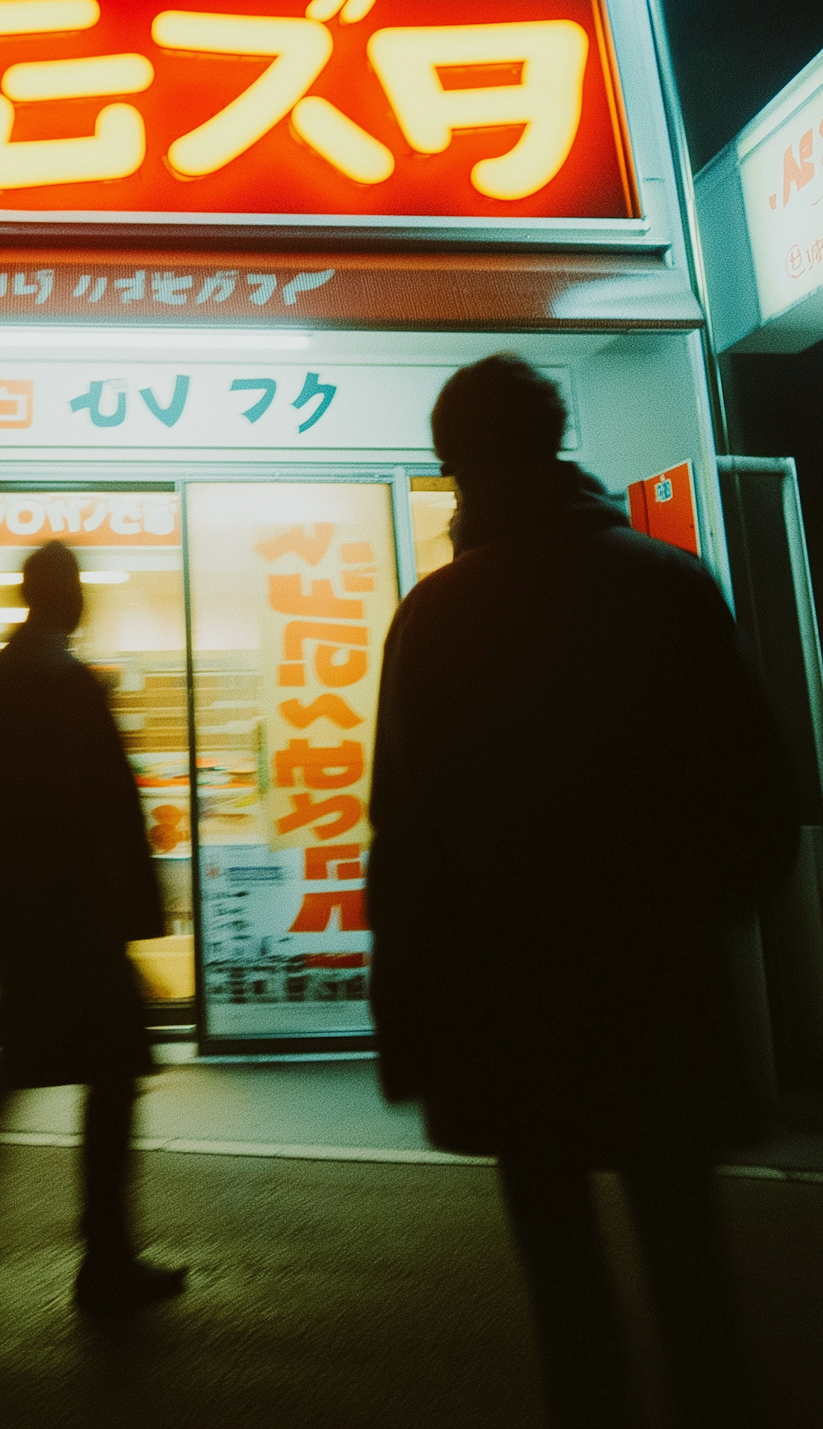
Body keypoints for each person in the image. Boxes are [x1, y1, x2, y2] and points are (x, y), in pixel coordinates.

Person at [367, 352, 799, 1429]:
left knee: (567, 1293)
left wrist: (407, 1016)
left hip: (510, 1004)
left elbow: (405, 844)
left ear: (454, 465)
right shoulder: (667, 583)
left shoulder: (438, 613)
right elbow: (761, 793)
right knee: (690, 1271)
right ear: (558, 441)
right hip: (662, 990)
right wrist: (703, 914)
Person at [0, 538, 185, 1322]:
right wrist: (127, 905)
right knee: (107, 1075)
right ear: (64, 596)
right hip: (73, 919)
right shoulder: (62, 682)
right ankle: (101, 1257)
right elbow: (96, 810)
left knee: (21, 1076)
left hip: (28, 918)